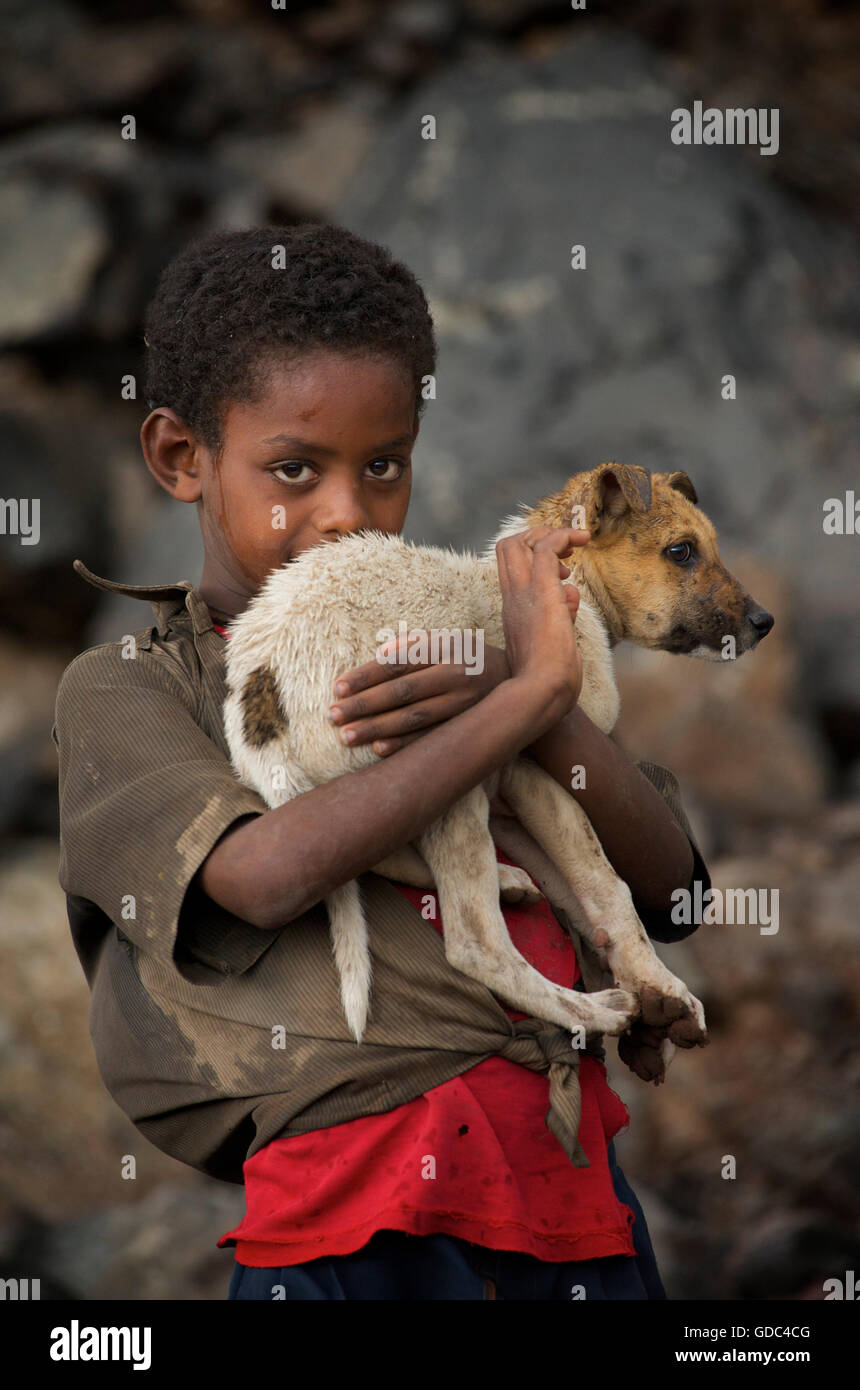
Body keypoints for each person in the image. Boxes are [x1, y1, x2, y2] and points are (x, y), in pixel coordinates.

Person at [53, 222, 710, 1301]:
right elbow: (260, 877)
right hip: (353, 1231)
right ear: (182, 458)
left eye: (385, 465)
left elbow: (670, 887)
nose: (347, 513)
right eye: (294, 469)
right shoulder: (133, 688)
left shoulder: (459, 654)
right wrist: (516, 705)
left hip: (573, 1205)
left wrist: (537, 700)